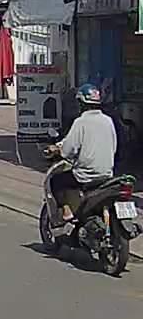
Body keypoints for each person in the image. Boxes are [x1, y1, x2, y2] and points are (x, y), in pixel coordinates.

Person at [48, 83, 117, 222]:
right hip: (107, 174)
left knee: (56, 181)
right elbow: (113, 147)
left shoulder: (81, 122)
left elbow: (68, 150)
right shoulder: (108, 121)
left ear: (81, 104)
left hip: (85, 175)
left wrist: (59, 151)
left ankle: (67, 212)